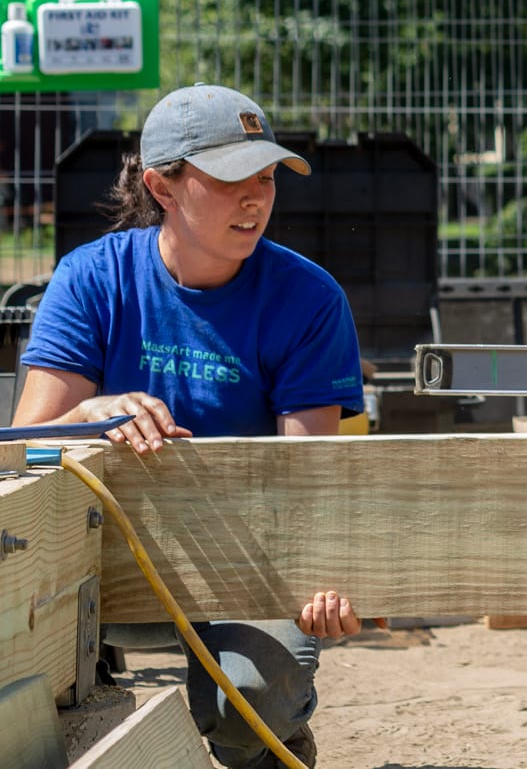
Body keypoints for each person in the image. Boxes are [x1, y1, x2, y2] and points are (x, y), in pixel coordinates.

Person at [13, 84, 368, 769]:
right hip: (101, 559)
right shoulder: (92, 278)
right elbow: (22, 451)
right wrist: (87, 415)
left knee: (249, 705)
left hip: (247, 557)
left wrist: (327, 576)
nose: (255, 199)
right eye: (232, 178)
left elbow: (312, 481)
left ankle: (268, 744)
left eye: (267, 178)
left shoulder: (309, 299)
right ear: (161, 186)